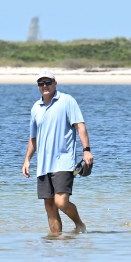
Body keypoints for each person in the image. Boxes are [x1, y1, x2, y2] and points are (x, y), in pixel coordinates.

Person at [21, 75, 93, 235]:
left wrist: (86, 150)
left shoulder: (67, 101)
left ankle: (79, 224)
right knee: (49, 205)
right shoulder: (35, 108)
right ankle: (55, 242)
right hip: (43, 165)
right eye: (41, 83)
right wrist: (27, 160)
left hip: (63, 161)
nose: (44, 85)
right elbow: (33, 138)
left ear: (55, 83)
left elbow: (80, 126)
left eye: (47, 82)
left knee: (61, 202)